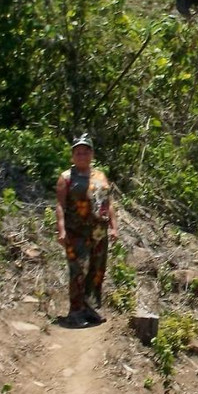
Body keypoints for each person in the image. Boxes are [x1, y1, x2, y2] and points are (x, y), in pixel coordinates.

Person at [55, 134, 117, 327]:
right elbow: (59, 205)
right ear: (72, 156)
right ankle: (75, 312)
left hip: (98, 232)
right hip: (76, 232)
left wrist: (114, 227)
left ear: (92, 154)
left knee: (97, 270)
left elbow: (108, 203)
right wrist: (61, 230)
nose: (82, 155)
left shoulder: (100, 176)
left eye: (85, 152)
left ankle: (89, 307)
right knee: (78, 270)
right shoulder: (66, 178)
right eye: (78, 152)